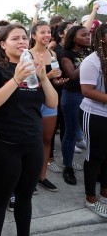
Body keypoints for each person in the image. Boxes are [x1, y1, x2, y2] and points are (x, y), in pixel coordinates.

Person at [0, 24, 57, 236]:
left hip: (32, 143)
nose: (22, 41)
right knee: (1, 197)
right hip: (5, 145)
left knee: (25, 198)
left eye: (24, 37)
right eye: (15, 38)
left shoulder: (34, 67)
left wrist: (42, 77)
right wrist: (16, 79)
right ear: (3, 44)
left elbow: (52, 103)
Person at [29, 21, 66, 193]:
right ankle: (28, 178)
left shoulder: (52, 54)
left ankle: (42, 176)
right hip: (31, 103)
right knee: (31, 141)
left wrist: (57, 80)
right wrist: (46, 76)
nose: (46, 35)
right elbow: (25, 83)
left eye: (48, 32)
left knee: (46, 140)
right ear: (34, 35)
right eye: (42, 32)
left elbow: (53, 79)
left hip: (50, 102)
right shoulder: (26, 56)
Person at [79, 24, 107, 218]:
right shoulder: (92, 61)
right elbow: (87, 91)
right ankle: (90, 198)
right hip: (95, 114)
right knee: (95, 156)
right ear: (103, 38)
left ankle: (105, 194)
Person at [60, 25, 91, 185]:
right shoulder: (67, 54)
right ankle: (68, 167)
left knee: (88, 131)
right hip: (73, 96)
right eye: (84, 35)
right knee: (71, 133)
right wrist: (87, 62)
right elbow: (71, 75)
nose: (88, 37)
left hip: (90, 95)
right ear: (73, 38)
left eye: (89, 34)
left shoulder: (88, 52)